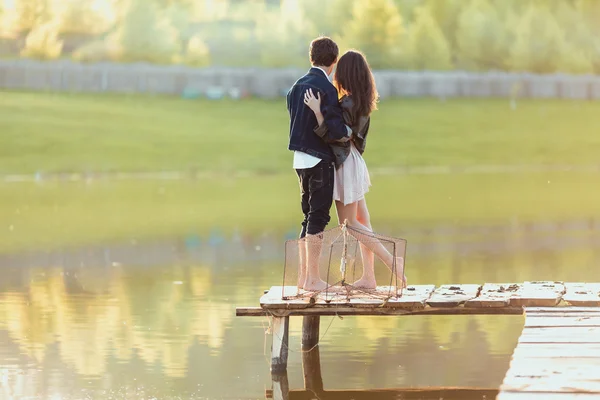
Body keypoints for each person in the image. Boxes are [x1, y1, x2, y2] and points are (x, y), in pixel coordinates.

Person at [303, 50, 406, 289]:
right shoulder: (362, 100)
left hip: (345, 162)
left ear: (346, 73)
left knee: (348, 223)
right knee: (362, 219)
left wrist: (318, 113)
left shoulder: (346, 103)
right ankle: (369, 277)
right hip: (355, 160)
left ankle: (392, 261)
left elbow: (338, 136)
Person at [286, 37, 352, 291]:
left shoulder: (295, 87)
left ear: (311, 57)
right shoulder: (326, 87)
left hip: (299, 160)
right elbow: (334, 129)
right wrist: (348, 131)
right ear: (334, 62)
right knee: (319, 218)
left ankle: (305, 278)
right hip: (319, 160)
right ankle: (313, 279)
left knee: (308, 218)